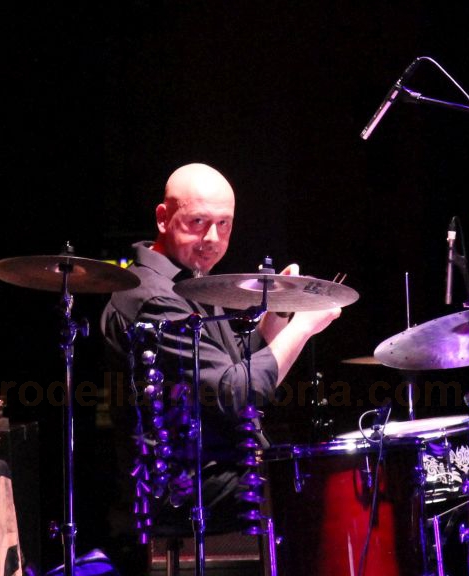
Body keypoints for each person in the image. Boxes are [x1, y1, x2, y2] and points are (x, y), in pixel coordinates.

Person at [100, 163, 341, 570]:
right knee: (315, 484)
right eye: (198, 222)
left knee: (319, 465)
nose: (212, 238)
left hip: (214, 470)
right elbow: (236, 393)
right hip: (179, 487)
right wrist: (304, 326)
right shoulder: (152, 297)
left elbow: (228, 368)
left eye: (224, 224)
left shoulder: (189, 281)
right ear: (163, 218)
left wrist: (277, 316)